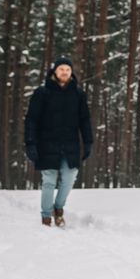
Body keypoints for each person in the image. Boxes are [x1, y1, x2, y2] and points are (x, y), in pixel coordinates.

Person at [24, 56, 93, 227]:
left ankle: (58, 208)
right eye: (61, 69)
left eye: (68, 70)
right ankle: (46, 216)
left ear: (71, 73)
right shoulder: (42, 92)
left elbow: (85, 120)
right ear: (55, 71)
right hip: (46, 143)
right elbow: (31, 119)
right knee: (49, 180)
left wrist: (88, 142)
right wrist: (30, 143)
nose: (64, 72)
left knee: (70, 178)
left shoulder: (78, 94)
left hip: (71, 144)